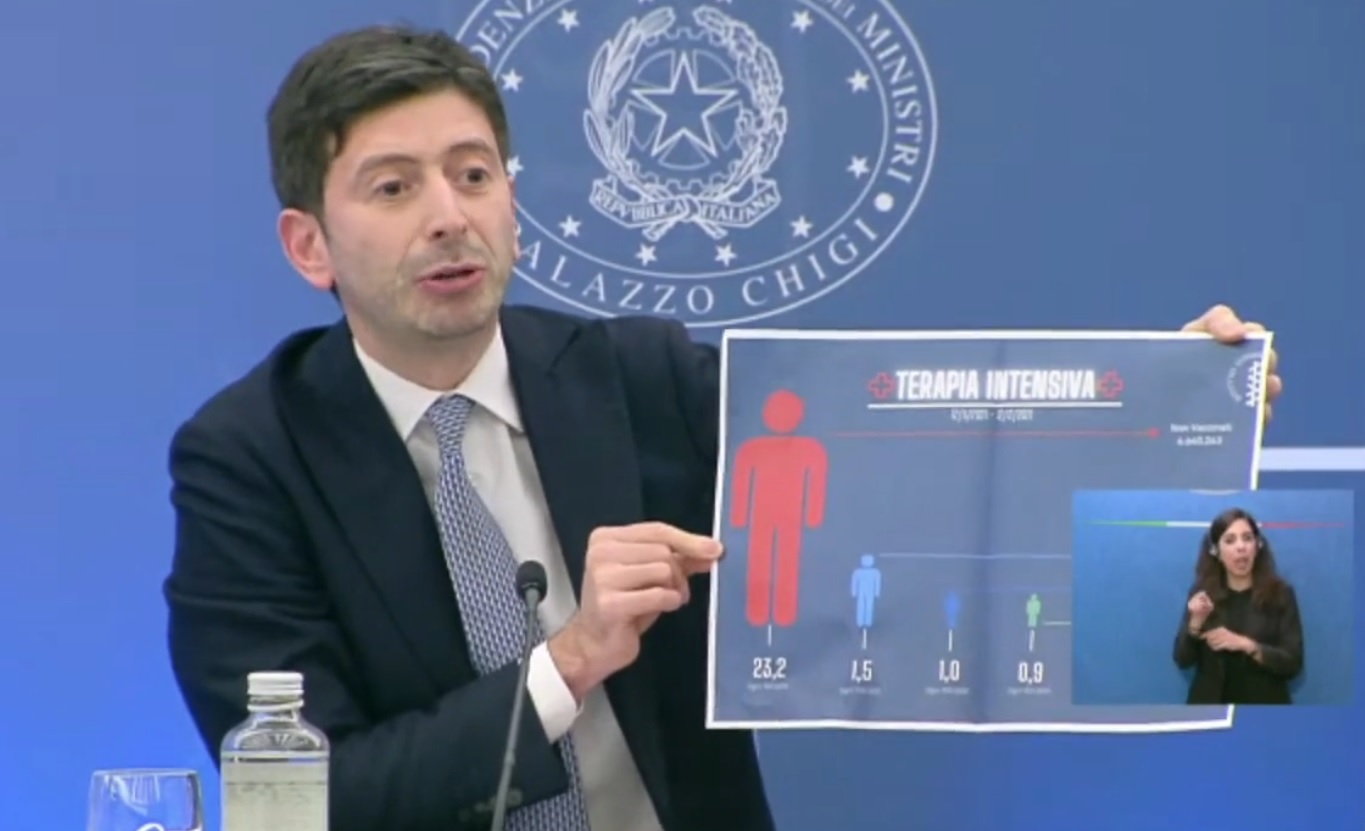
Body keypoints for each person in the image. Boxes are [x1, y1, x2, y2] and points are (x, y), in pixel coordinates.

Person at [161, 23, 1286, 831]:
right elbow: (303, 798)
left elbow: (928, 485)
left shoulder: (637, 376)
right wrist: (571, 659)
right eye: (394, 188)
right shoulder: (249, 459)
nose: (450, 216)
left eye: (473, 174)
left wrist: (1167, 412)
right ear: (309, 245)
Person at [1173, 508, 1304, 704]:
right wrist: (1195, 623)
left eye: (1247, 538)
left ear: (1258, 546)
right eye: (1230, 540)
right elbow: (1183, 660)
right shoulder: (1203, 594)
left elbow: (1293, 663)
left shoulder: (1280, 594)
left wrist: (1248, 646)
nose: (1241, 547)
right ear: (1216, 551)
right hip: (1211, 708)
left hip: (1264, 708)